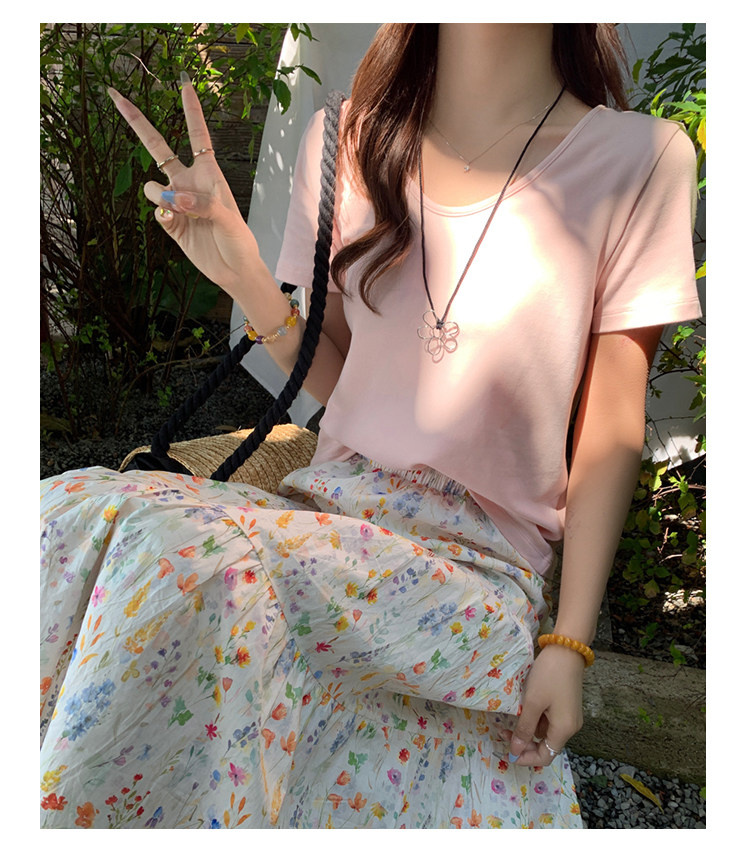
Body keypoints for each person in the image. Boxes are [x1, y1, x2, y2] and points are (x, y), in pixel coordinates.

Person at [40, 24, 702, 829]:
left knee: (181, 556)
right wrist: (246, 277)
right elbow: (340, 380)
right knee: (64, 510)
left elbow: (611, 425)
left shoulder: (641, 158)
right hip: (330, 513)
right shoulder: (348, 139)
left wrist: (569, 642)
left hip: (474, 562)